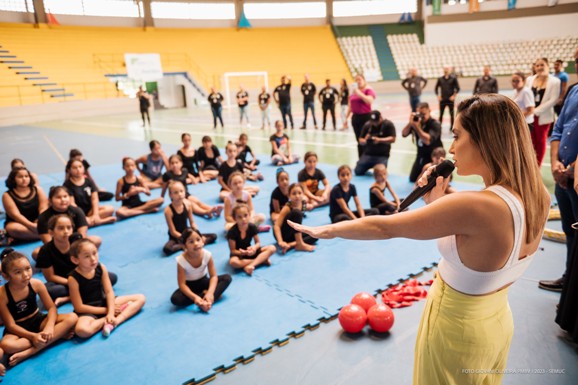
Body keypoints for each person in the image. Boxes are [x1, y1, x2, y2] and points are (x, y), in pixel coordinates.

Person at [290, 94, 550, 385]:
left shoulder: (478, 206)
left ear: (485, 140)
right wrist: (437, 201)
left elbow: (385, 228)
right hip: (495, 321)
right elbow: (477, 245)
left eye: (457, 136)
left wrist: (328, 230)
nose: (451, 148)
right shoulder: (538, 195)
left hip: (456, 330)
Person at [0, 249, 77, 367]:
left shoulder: (36, 284)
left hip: (38, 319)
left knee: (72, 317)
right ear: (6, 276)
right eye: (18, 272)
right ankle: (56, 336)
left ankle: (32, 351)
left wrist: (50, 328)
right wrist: (33, 336)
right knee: (7, 345)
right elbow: (10, 325)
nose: (25, 275)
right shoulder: (2, 294)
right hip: (18, 328)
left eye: (28, 268)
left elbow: (51, 308)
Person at [539, 85, 578, 292]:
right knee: (569, 230)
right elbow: (558, 130)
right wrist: (555, 163)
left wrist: (573, 170)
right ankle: (568, 280)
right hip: (562, 175)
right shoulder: (574, 91)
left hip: (575, 176)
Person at [68, 238, 145, 338]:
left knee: (140, 298)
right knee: (82, 331)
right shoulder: (73, 278)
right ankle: (108, 319)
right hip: (88, 311)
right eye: (87, 256)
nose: (93, 259)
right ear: (75, 260)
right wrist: (108, 312)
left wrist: (111, 311)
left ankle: (116, 321)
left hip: (104, 302)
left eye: (95, 253)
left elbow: (109, 292)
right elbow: (79, 307)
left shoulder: (101, 267)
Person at [37, 215, 118, 305]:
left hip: (84, 276)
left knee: (111, 277)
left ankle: (69, 298)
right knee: (49, 291)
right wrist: (72, 283)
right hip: (64, 282)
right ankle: (82, 293)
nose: (66, 231)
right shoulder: (45, 250)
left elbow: (90, 263)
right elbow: (50, 277)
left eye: (69, 227)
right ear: (51, 232)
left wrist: (84, 280)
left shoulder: (77, 241)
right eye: (61, 228)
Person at [170, 228, 232, 311]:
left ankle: (207, 298)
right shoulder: (181, 260)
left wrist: (210, 292)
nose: (196, 244)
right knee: (175, 299)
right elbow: (182, 285)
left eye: (198, 240)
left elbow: (213, 276)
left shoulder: (207, 255)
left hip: (204, 281)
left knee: (227, 278)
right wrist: (195, 297)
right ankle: (204, 297)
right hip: (190, 286)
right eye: (191, 242)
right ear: (185, 246)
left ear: (202, 241)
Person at [36, 186, 102, 259]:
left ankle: (80, 259)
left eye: (65, 196)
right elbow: (47, 241)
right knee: (36, 253)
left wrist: (75, 248)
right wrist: (62, 248)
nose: (63, 200)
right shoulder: (44, 217)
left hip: (75, 244)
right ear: (50, 201)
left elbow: (82, 235)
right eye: (58, 197)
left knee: (96, 240)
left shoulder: (77, 211)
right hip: (56, 246)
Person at [163, 181, 217, 256]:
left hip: (187, 232)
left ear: (185, 191)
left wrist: (198, 235)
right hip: (176, 237)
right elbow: (173, 232)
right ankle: (183, 246)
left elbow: (192, 223)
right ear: (170, 195)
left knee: (213, 236)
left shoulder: (188, 204)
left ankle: (191, 244)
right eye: (176, 193)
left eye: (181, 191)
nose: (179, 194)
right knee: (167, 249)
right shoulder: (168, 211)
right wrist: (185, 240)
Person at [526, 58, 561, 166]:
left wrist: (536, 111)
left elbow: (553, 99)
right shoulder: (529, 80)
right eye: (537, 65)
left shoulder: (555, 81)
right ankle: (531, 164)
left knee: (540, 142)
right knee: (530, 141)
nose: (540, 67)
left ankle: (538, 166)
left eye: (542, 65)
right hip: (529, 117)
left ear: (548, 66)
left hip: (544, 117)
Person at [64, 159, 116, 227]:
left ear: (83, 168)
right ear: (69, 170)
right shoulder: (67, 185)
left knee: (110, 209)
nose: (78, 169)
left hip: (89, 211)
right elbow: (72, 204)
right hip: (77, 213)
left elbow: (95, 199)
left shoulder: (88, 181)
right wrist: (83, 217)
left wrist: (95, 214)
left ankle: (90, 222)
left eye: (80, 166)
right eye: (75, 168)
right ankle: (100, 221)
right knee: (72, 221)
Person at [2, 167, 48, 243]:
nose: (24, 179)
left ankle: (32, 235)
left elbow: (43, 208)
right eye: (20, 177)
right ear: (13, 179)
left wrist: (39, 220)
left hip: (38, 221)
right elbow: (16, 215)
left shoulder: (38, 189)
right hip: (19, 223)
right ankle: (46, 234)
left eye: (26, 176)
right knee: (13, 229)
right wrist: (32, 226)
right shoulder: (7, 195)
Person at [227, 204, 276, 275]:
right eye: (239, 217)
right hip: (239, 254)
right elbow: (233, 251)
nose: (243, 219)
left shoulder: (252, 227)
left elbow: (258, 243)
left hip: (250, 251)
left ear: (249, 215)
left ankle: (250, 265)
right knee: (233, 262)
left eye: (245, 215)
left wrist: (254, 248)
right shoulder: (232, 232)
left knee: (272, 248)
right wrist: (243, 252)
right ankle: (261, 260)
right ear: (235, 219)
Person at [402, 102, 443, 183]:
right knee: (413, 178)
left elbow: (428, 141)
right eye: (419, 113)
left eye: (423, 113)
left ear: (429, 110)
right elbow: (404, 134)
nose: (421, 116)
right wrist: (410, 123)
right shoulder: (417, 122)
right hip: (421, 155)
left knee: (431, 181)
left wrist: (416, 127)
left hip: (433, 157)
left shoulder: (435, 124)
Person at [274, 183, 317, 254]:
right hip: (283, 233)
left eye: (300, 193)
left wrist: (313, 203)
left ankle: (291, 245)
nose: (297, 196)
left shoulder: (303, 204)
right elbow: (277, 226)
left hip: (293, 233)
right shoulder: (288, 207)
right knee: (297, 212)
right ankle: (300, 243)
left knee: (315, 234)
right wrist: (280, 241)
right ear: (289, 196)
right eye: (294, 194)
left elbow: (309, 206)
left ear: (303, 194)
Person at [354, 110, 397, 176]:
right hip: (368, 154)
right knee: (357, 171)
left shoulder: (388, 124)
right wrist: (365, 140)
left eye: (376, 121)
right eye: (373, 121)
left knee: (381, 174)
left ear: (380, 118)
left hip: (382, 155)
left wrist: (379, 140)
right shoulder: (368, 125)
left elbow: (393, 138)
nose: (375, 123)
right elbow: (360, 139)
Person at [346, 74, 376, 158]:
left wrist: (359, 93)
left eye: (359, 79)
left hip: (366, 117)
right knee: (358, 140)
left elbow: (369, 101)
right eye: (356, 80)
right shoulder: (353, 92)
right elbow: (350, 106)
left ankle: (369, 158)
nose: (358, 81)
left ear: (364, 80)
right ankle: (361, 159)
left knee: (366, 139)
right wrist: (346, 118)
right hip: (356, 117)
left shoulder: (368, 90)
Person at [435, 66, 461, 132]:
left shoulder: (453, 78)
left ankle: (452, 127)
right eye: (445, 69)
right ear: (443, 70)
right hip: (442, 99)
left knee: (452, 114)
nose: (446, 70)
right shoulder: (440, 79)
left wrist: (454, 96)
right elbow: (436, 88)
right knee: (441, 114)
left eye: (447, 69)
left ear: (449, 70)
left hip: (450, 100)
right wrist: (438, 96)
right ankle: (439, 127)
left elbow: (458, 88)